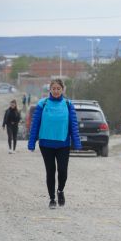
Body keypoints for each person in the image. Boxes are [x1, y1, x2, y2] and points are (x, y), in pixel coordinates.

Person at [28, 79, 82, 209]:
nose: (56, 91)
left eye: (58, 88)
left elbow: (73, 125)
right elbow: (35, 124)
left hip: (63, 143)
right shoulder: (43, 104)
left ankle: (60, 191)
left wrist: (77, 142)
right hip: (46, 143)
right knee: (50, 171)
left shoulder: (68, 104)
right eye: (54, 88)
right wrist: (32, 142)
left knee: (62, 171)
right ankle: (52, 198)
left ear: (63, 90)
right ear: (50, 90)